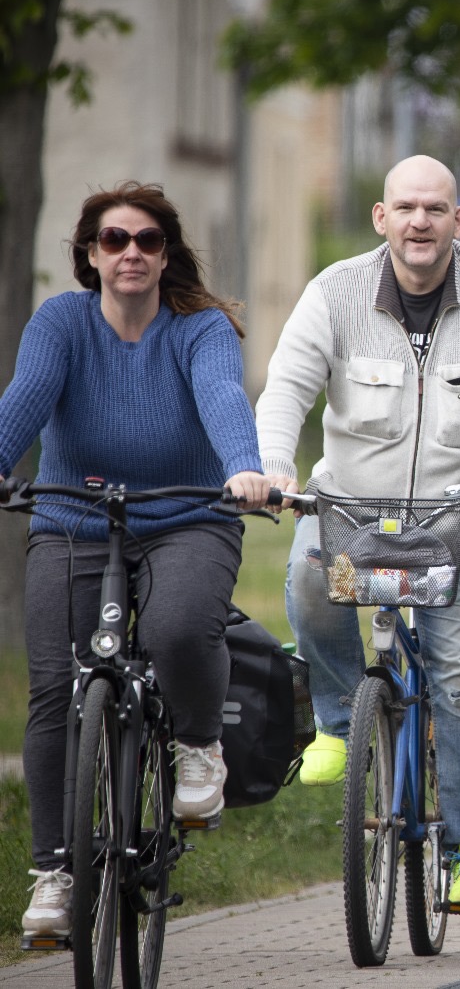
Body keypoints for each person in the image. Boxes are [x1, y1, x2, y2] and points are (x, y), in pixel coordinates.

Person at [255, 155, 460, 910]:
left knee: (458, 681)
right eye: (405, 208)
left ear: (459, 220)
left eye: (436, 209)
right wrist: (266, 465)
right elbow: (287, 385)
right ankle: (333, 717)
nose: (420, 222)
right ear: (381, 218)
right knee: (305, 579)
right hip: (354, 519)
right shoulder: (335, 291)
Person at [0, 182, 272, 940]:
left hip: (187, 516)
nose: (131, 254)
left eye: (147, 241)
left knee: (184, 627)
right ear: (90, 254)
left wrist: (244, 467)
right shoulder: (60, 322)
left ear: (166, 254)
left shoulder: (201, 327)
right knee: (55, 689)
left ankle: (196, 746)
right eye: (114, 240)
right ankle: (54, 875)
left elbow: (223, 395)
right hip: (72, 520)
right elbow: (26, 397)